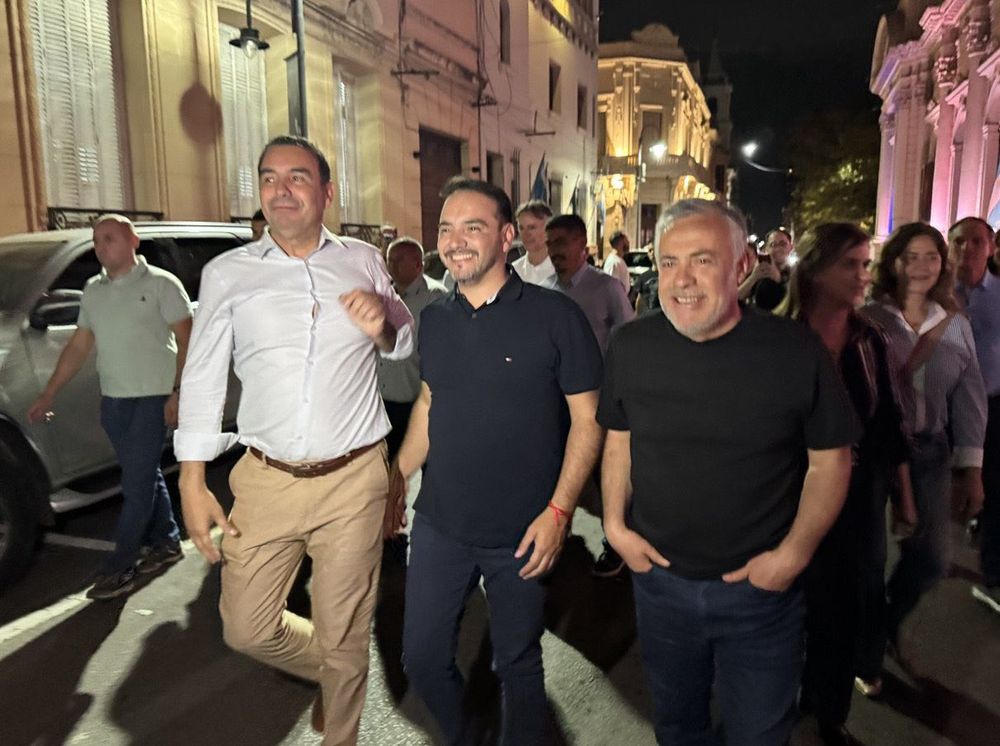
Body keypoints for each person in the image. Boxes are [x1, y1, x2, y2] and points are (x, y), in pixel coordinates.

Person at [174, 135, 414, 745]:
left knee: (347, 627)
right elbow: (203, 373)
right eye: (270, 178)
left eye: (298, 177)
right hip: (266, 478)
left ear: (327, 192)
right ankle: (336, 676)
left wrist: (382, 327)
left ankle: (341, 719)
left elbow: (405, 340)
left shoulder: (361, 259)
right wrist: (193, 476)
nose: (282, 189)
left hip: (354, 478)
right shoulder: (227, 274)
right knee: (246, 628)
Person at [598, 199, 857, 745]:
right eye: (668, 262)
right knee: (675, 726)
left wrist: (792, 556)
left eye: (702, 260)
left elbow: (830, 460)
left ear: (741, 268)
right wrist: (616, 529)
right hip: (660, 586)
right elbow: (619, 440)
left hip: (760, 596)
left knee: (759, 734)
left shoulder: (793, 351)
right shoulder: (630, 345)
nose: (682, 280)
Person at [390, 178, 603, 745]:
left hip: (524, 530)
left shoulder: (557, 317)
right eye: (446, 229)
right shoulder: (434, 318)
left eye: (473, 227)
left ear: (507, 236)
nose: (455, 241)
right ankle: (464, 734)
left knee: (517, 663)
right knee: (422, 658)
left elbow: (589, 421)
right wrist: (397, 476)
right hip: (441, 524)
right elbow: (431, 404)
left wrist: (559, 513)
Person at [777, 223, 913, 744]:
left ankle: (828, 712)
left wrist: (904, 496)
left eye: (865, 264)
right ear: (814, 270)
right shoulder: (778, 338)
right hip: (790, 494)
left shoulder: (868, 339)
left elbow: (889, 425)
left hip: (857, 498)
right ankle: (782, 698)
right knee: (790, 600)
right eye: (850, 265)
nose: (863, 276)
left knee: (845, 604)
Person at [27, 215, 192, 600]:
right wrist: (49, 392)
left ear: (133, 240)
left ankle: (119, 566)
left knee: (135, 487)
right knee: (143, 474)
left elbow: (188, 341)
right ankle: (167, 542)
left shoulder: (162, 285)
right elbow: (79, 346)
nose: (102, 247)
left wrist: (178, 391)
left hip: (153, 398)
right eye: (97, 241)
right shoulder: (93, 290)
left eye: (110, 239)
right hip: (114, 401)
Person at [862, 222, 986, 664]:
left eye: (930, 256)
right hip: (871, 457)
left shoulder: (955, 324)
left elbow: (971, 399)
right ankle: (868, 650)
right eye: (910, 256)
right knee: (867, 560)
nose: (920, 266)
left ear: (942, 263)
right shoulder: (871, 318)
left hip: (929, 451)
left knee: (932, 560)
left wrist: (973, 471)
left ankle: (885, 623)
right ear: (893, 261)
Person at [948, 217, 1000, 613]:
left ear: (991, 247)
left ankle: (993, 575)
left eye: (976, 242)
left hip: (992, 408)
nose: (967, 249)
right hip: (943, 412)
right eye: (959, 241)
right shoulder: (933, 296)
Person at [378, 236, 447, 460]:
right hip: (383, 402)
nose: (391, 266)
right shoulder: (383, 293)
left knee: (428, 464)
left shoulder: (434, 297)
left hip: (418, 401)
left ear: (418, 264)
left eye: (398, 260)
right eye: (389, 260)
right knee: (389, 470)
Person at [543, 213, 634, 354]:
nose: (554, 251)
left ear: (582, 242)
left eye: (561, 243)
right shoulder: (544, 290)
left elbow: (628, 338)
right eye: (549, 244)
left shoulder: (607, 288)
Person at [739, 228, 793, 310]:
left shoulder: (796, 274)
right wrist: (753, 278)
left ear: (791, 247)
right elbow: (732, 303)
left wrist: (778, 281)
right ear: (767, 249)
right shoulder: (759, 273)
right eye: (773, 245)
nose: (778, 248)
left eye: (783, 244)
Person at [510, 199, 555, 285]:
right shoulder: (513, 272)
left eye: (532, 227)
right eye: (521, 228)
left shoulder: (564, 272)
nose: (526, 234)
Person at [603, 229, 631, 293]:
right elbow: (611, 288)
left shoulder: (618, 260)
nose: (628, 242)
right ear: (620, 242)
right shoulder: (613, 262)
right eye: (626, 240)